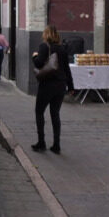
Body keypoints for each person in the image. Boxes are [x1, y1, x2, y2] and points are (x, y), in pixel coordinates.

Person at [31, 25, 74, 154]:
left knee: (39, 112)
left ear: (46, 34)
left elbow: (38, 63)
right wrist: (71, 86)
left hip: (47, 85)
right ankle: (56, 145)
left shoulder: (44, 47)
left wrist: (35, 56)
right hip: (60, 85)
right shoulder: (62, 49)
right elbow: (67, 69)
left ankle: (41, 142)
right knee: (55, 114)